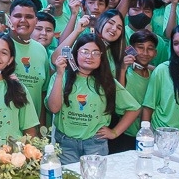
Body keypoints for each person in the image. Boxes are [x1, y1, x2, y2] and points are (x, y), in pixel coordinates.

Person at [45, 33, 141, 163]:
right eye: (85, 51)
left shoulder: (108, 82)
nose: (90, 56)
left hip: (95, 144)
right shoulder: (62, 77)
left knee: (96, 175)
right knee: (69, 176)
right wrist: (59, 75)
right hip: (65, 144)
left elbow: (134, 108)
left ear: (102, 56)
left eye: (96, 53)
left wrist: (114, 132)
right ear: (75, 53)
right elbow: (54, 108)